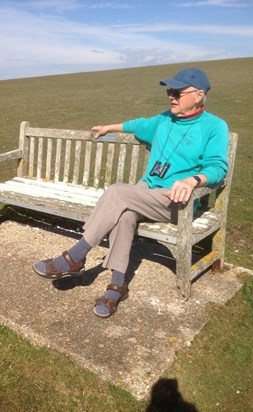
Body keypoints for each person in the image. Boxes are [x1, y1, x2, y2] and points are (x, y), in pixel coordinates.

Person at [33, 68, 229, 319]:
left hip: (176, 201)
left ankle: (75, 256)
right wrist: (109, 127)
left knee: (117, 193)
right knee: (124, 214)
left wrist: (193, 180)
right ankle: (117, 285)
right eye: (169, 91)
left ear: (199, 95)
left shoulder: (214, 127)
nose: (171, 96)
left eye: (177, 92)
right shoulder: (164, 119)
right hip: (145, 193)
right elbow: (138, 125)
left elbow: (218, 167)